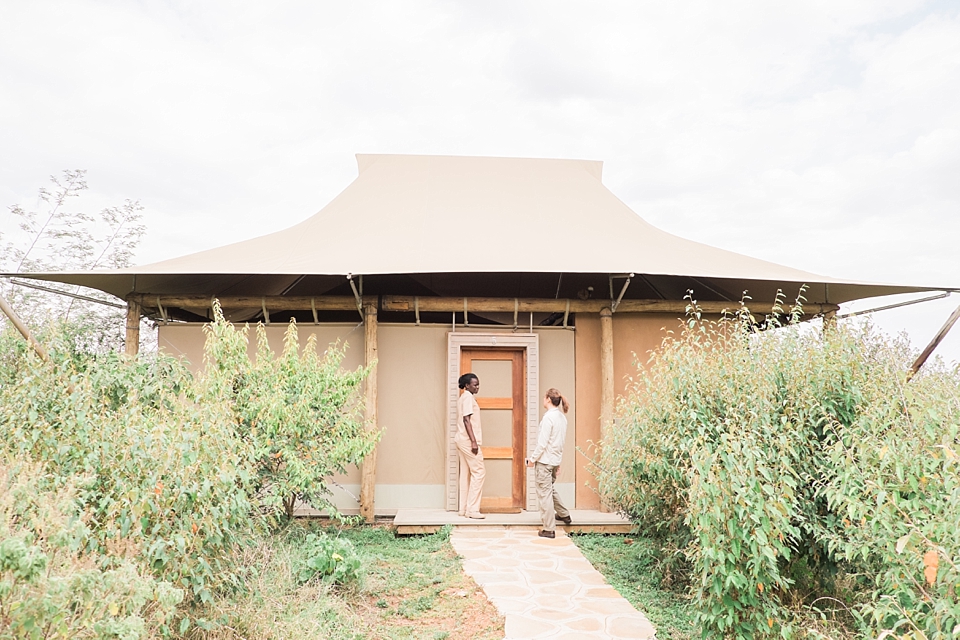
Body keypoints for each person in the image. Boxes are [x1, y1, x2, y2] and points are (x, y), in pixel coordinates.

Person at [526, 388, 572, 538]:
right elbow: (560, 442)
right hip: (554, 461)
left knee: (544, 494)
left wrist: (532, 459)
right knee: (549, 489)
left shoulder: (548, 418)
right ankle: (564, 515)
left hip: (544, 462)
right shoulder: (561, 418)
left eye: (544, 397)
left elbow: (542, 443)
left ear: (548, 399)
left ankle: (549, 529)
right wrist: (558, 463)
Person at [456, 373, 486, 519]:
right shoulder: (468, 397)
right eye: (475, 384)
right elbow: (466, 420)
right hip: (468, 441)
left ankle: (463, 509)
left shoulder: (463, 397)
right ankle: (472, 510)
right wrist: (474, 441)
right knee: (479, 472)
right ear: (467, 386)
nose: (477, 387)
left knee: (465, 474)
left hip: (461, 439)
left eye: (478, 384)